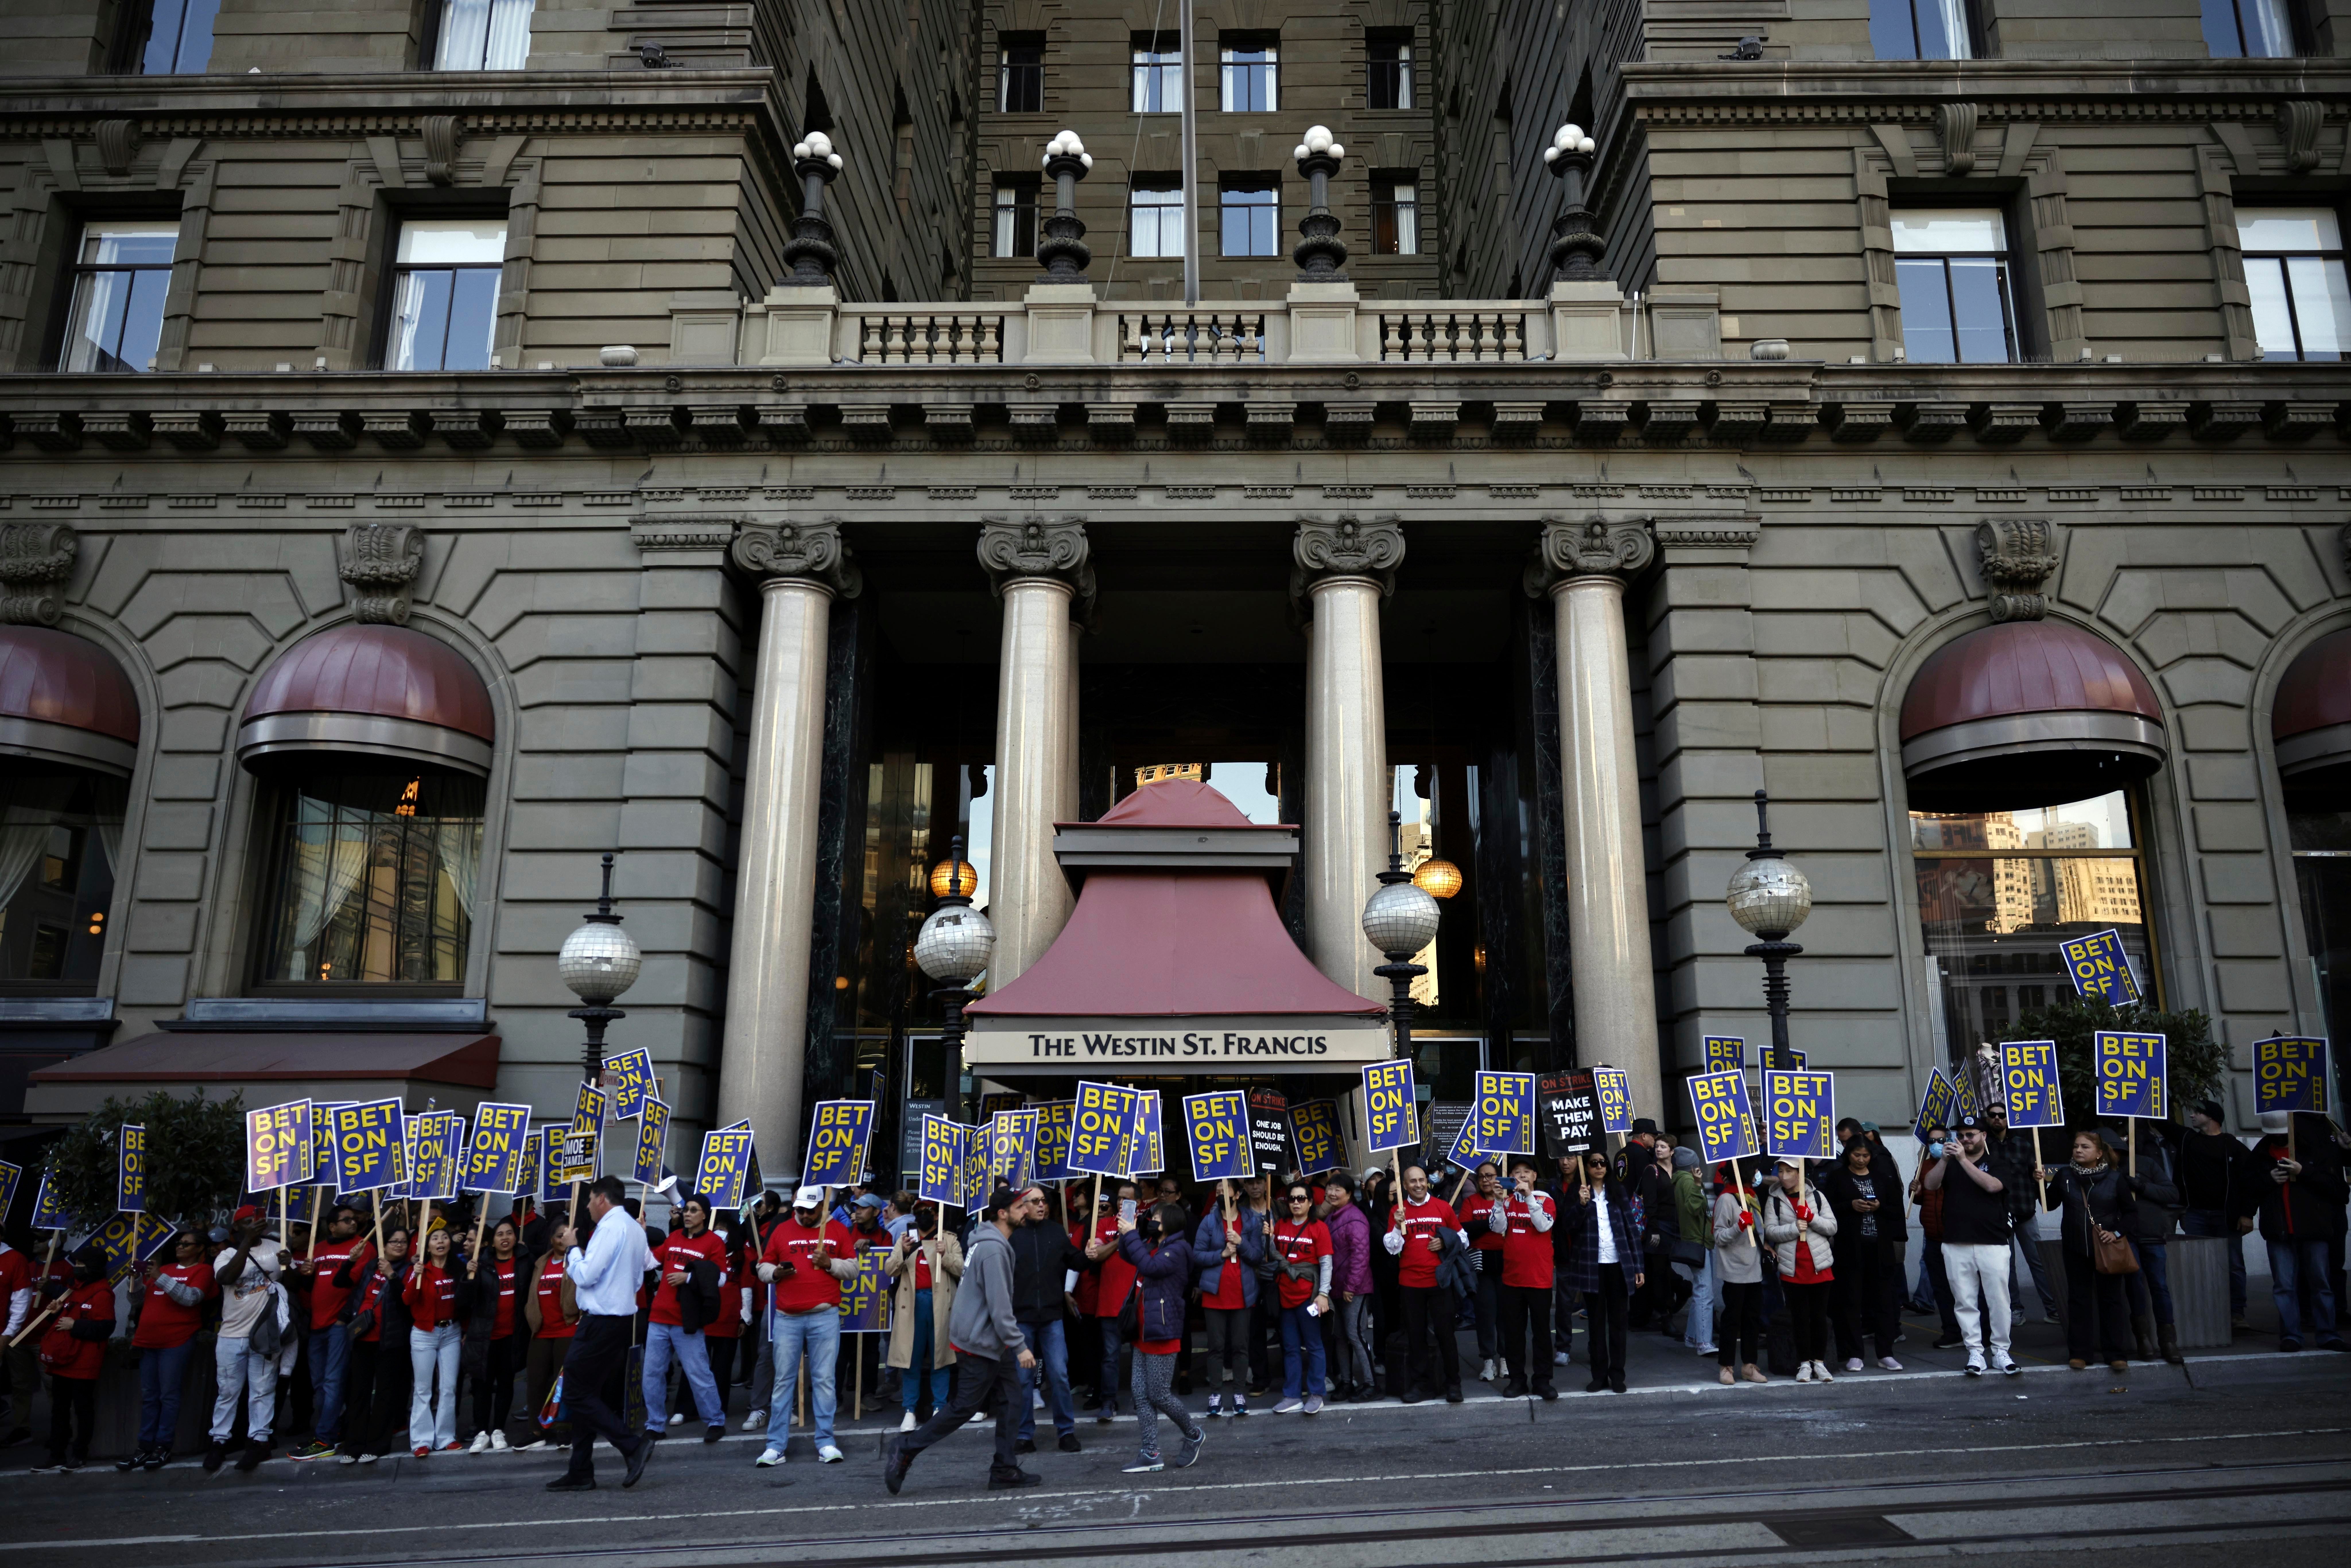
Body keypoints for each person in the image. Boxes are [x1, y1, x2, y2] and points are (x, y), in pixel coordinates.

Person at [883, 1188, 1038, 1493]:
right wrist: (1020, 1346)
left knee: (1011, 1398)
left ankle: (1004, 1468)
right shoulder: (993, 1250)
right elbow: (999, 1306)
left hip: (988, 1339)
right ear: (1003, 1213)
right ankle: (906, 1448)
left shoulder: (990, 1242)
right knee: (965, 1406)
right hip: (981, 1341)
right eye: (1021, 1206)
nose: (1027, 1210)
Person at [549, 1175, 656, 1492]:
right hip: (616, 1320)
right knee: (586, 1394)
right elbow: (647, 1268)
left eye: (588, 1200)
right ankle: (580, 1469)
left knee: (574, 1393)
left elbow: (586, 1276)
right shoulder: (634, 1228)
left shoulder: (610, 1227)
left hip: (602, 1321)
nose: (585, 1207)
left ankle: (633, 1446)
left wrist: (573, 1250)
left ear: (601, 1199)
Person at [752, 1184, 859, 1466]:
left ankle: (826, 1441)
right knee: (783, 1381)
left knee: (824, 1380)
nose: (804, 1215)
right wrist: (776, 1272)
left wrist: (830, 1264)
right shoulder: (782, 1230)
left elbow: (854, 1269)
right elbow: (762, 1267)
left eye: (810, 1212)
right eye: (800, 1210)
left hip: (824, 1315)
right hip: (787, 1317)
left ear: (820, 1208)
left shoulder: (836, 1230)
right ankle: (775, 1446)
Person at [2241, 1111, 2348, 1352]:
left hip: (2313, 1228)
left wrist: (2303, 1172)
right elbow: (2248, 1185)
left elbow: (2336, 1189)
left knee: (2321, 1283)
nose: (2278, 1139)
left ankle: (2328, 1334)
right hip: (2280, 1231)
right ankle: (2291, 1335)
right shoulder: (2262, 1153)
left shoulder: (2314, 1148)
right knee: (2284, 1286)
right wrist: (2269, 1179)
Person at [1115, 1199, 1206, 1472]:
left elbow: (1151, 1268)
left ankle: (1194, 1434)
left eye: (1156, 1217)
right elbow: (1128, 1255)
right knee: (1141, 1395)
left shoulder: (1178, 1250)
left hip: (1163, 1331)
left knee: (1159, 1394)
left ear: (1170, 1223)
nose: (1152, 1220)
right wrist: (1127, 1233)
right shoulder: (1155, 1245)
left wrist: (1132, 1234)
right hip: (1144, 1330)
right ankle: (1151, 1453)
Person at [1924, 1115, 2019, 1376]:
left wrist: (1964, 1161)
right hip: (1956, 1242)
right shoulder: (1950, 1162)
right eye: (1961, 1136)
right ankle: (1975, 1352)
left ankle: (2001, 1351)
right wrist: (1944, 1159)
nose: (1965, 1140)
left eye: (1971, 1135)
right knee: (1964, 1301)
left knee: (1999, 1301)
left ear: (1983, 1136)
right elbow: (1930, 1186)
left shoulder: (1997, 1162)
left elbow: (1993, 1187)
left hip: (1993, 1242)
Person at [2040, 1129, 2139, 1373]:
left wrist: (2116, 1233)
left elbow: (2132, 1213)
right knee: (2078, 1302)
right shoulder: (2064, 1175)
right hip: (2075, 1248)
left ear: (2099, 1153)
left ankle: (2116, 1354)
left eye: (2085, 1147)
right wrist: (2040, 1183)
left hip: (2106, 1249)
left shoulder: (2116, 1179)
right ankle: (2080, 1354)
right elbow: (2049, 1205)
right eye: (2076, 1146)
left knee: (2111, 1302)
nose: (2078, 1151)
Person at [120, 1227, 213, 1471]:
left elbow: (192, 1298)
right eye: (178, 1243)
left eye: (186, 1244)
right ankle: (144, 1447)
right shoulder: (166, 1271)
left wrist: (160, 1276)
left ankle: (163, 1446)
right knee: (149, 1397)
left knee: (168, 1396)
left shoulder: (203, 1271)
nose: (179, 1247)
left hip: (177, 1341)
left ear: (200, 1249)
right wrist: (136, 1280)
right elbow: (137, 1300)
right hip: (148, 1341)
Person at [643, 1193, 728, 1445]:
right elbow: (649, 1263)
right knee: (652, 1375)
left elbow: (721, 1279)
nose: (687, 1214)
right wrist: (640, 1236)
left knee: (698, 1374)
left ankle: (716, 1421)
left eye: (693, 1210)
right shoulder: (673, 1237)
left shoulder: (714, 1243)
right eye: (686, 1211)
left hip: (686, 1320)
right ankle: (655, 1425)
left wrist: (689, 1278)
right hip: (659, 1317)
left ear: (704, 1215)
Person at [205, 1204, 284, 1474]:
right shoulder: (226, 1254)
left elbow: (294, 1286)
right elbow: (226, 1278)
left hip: (264, 1334)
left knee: (262, 1390)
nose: (255, 1224)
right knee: (227, 1391)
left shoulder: (276, 1248)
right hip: (231, 1335)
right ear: (236, 1229)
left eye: (258, 1220)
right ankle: (219, 1442)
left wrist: (291, 1267)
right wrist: (247, 1243)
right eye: (248, 1222)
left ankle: (259, 1441)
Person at [1557, 1150, 1644, 1393]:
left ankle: (1618, 1375)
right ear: (1587, 1167)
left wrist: (1639, 1267)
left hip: (1618, 1265)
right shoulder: (1577, 1193)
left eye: (1602, 1163)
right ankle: (1599, 1375)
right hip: (1591, 1266)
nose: (1599, 1167)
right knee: (1596, 1325)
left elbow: (1631, 1231)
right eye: (1594, 1163)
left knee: (1618, 1324)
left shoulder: (1618, 1193)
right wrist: (1582, 1204)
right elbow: (1568, 1226)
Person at [1006, 1183, 1083, 1453]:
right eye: (1036, 1201)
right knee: (1024, 1379)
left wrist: (1089, 1256)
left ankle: (1066, 1432)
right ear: (1023, 1207)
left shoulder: (1056, 1231)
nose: (1043, 1205)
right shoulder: (1012, 1235)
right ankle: (1025, 1435)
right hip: (1022, 1318)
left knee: (1060, 1375)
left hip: (1052, 1316)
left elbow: (1074, 1260)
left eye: (1044, 1201)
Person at [1819, 1136, 1904, 1372]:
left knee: (1884, 1302)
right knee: (1851, 1302)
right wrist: (1850, 1206)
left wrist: (1879, 1207)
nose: (1861, 1159)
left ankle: (1886, 1352)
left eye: (1865, 1156)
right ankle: (1855, 1353)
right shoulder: (1838, 1177)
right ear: (1848, 1154)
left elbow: (1896, 1210)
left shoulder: (1881, 1177)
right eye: (1857, 1155)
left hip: (1880, 1249)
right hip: (1850, 1249)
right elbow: (1828, 1208)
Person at [27, 1244, 115, 1473]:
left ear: (92, 1267)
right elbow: (59, 1325)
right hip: (64, 1360)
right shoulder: (73, 1289)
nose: (76, 1268)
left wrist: (76, 1325)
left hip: (84, 1362)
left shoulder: (103, 1293)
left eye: (80, 1264)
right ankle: (57, 1455)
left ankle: (79, 1455)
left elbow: (106, 1328)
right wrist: (55, 1313)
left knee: (82, 1409)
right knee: (59, 1409)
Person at [1382, 1163, 1466, 1403]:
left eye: (1422, 1180)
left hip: (1439, 1283)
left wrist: (1445, 1241)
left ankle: (1454, 1384)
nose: (1418, 1185)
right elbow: (1391, 1248)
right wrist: (1399, 1226)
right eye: (1413, 1182)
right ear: (1405, 1186)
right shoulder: (1398, 1211)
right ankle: (1421, 1386)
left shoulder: (1442, 1207)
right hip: (1410, 1283)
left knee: (1446, 1334)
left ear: (1427, 1182)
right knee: (1416, 1337)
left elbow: (1463, 1239)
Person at [285, 1204, 363, 1460]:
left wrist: (344, 1319)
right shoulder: (317, 1250)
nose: (353, 1223)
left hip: (340, 1327)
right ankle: (334, 1430)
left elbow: (361, 1286)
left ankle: (325, 1439)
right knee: (319, 1385)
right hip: (317, 1326)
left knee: (331, 1383)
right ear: (332, 1227)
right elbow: (309, 1286)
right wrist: (303, 1274)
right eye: (347, 1220)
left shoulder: (363, 1245)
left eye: (354, 1220)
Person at [883, 1202, 961, 1435]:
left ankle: (939, 1407)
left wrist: (945, 1255)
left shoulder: (948, 1239)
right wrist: (904, 1252)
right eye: (920, 1213)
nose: (925, 1217)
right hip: (912, 1307)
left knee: (941, 1358)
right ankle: (910, 1410)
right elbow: (889, 1269)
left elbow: (961, 1268)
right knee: (911, 1360)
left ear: (937, 1216)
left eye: (929, 1213)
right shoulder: (907, 1239)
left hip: (940, 1306)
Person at [337, 1225, 412, 1463]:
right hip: (363, 1339)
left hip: (390, 1341)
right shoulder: (370, 1267)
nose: (399, 1245)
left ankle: (378, 1445)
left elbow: (406, 1303)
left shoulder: (410, 1269)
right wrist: (350, 1261)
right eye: (394, 1241)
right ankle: (354, 1445)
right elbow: (340, 1282)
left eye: (403, 1242)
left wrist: (392, 1275)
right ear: (385, 1245)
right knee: (358, 1393)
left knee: (384, 1394)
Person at [1761, 1156, 1838, 1383]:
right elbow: (1772, 1232)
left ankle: (1820, 1363)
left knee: (1819, 1318)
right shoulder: (1774, 1199)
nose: (1784, 1176)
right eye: (1781, 1171)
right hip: (1792, 1268)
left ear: (1799, 1172)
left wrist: (1812, 1218)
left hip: (1819, 1266)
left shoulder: (1817, 1196)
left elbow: (1833, 1227)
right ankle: (1804, 1363)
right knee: (1800, 1319)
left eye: (1789, 1171)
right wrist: (1795, 1228)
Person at [2179, 1101, 2255, 1329]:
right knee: (2195, 1264)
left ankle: (2236, 1313)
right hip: (2195, 1214)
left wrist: (2247, 1214)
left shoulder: (2232, 1145)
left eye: (2197, 1112)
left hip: (2226, 1216)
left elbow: (2250, 1181)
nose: (2191, 1115)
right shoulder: (2188, 1140)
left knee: (2232, 1263)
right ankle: (2200, 1311)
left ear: (2212, 1117)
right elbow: (2162, 1124)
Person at [1193, 1177, 1265, 1417]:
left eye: (1225, 1191)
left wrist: (1241, 1243)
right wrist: (1222, 1253)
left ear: (1236, 1195)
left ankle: (1238, 1393)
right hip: (1215, 1295)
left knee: (1241, 1347)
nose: (1220, 1195)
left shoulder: (1251, 1220)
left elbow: (1257, 1256)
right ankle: (1215, 1394)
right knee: (1215, 1347)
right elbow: (1198, 1256)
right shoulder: (1208, 1221)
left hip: (1243, 1294)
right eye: (1217, 1191)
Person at [1488, 1156, 1558, 1399]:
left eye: (1526, 1172)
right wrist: (1498, 1202)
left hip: (1539, 1279)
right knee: (1514, 1335)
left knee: (1541, 1334)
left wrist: (1529, 1197)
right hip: (1512, 1279)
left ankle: (1543, 1381)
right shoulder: (1506, 1202)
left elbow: (1542, 1226)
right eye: (1517, 1173)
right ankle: (1517, 1380)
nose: (1522, 1176)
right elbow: (1497, 1229)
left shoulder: (1545, 1199)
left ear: (1535, 1176)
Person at [2120, 1121, 2185, 1364]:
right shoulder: (2111, 1169)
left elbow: (2172, 1194)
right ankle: (2143, 1340)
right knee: (2135, 1286)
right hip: (2128, 1236)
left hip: (2151, 1235)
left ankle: (2168, 1341)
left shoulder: (2148, 1164)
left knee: (2159, 1287)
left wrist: (2142, 1186)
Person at [403, 1222, 469, 1456]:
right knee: (423, 1389)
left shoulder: (459, 1268)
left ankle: (446, 1437)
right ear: (427, 1247)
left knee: (449, 1388)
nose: (440, 1242)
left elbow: (467, 1300)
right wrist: (415, 1276)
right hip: (424, 1334)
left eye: (444, 1237)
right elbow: (407, 1300)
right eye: (435, 1239)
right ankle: (421, 1441)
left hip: (452, 1332)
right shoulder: (420, 1270)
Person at [1269, 1179, 1334, 1414]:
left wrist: (1323, 1294)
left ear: (1310, 1203)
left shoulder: (1319, 1228)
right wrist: (1267, 1237)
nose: (1296, 1203)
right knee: (1290, 1347)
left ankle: (1316, 1394)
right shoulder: (1280, 1224)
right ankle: (1292, 1396)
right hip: (1285, 1295)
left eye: (1301, 1199)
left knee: (1315, 1346)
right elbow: (1272, 1255)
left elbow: (1327, 1264)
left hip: (1309, 1297)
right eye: (1292, 1199)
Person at [1081, 1179, 1142, 1419]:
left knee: (1141, 1355)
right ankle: (1109, 1401)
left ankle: (1142, 1399)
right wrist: (1121, 1239)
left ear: (1137, 1203)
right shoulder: (1104, 1223)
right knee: (1110, 1356)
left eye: (1126, 1199)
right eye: (1118, 1198)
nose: (1120, 1203)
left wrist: (1126, 1237)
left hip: (1137, 1301)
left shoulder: (1146, 1224)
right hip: (1109, 1302)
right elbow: (1097, 1255)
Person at [1907, 1123, 1966, 1351]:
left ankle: (1976, 1331)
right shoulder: (1924, 1165)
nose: (1936, 1145)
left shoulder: (1962, 1164)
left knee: (1963, 1289)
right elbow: (1921, 1200)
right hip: (1933, 1236)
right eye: (1931, 1141)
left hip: (1956, 1237)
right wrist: (1917, 1191)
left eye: (1941, 1140)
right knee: (1941, 1289)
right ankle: (1952, 1331)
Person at [519, 1220, 576, 1452]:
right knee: (536, 1381)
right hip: (541, 1331)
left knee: (561, 1383)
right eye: (559, 1236)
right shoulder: (541, 1263)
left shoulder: (576, 1261)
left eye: (567, 1235)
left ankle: (563, 1429)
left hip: (567, 1329)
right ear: (551, 1240)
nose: (563, 1239)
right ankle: (537, 1430)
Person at [1711, 1162, 1768, 1385]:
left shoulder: (1751, 1197)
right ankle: (1726, 1366)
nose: (1757, 1174)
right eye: (1754, 1171)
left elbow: (1760, 1230)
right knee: (1732, 1320)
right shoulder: (1727, 1199)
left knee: (1752, 1320)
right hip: (1735, 1270)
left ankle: (1749, 1365)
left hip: (1754, 1268)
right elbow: (1719, 1237)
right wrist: (1739, 1227)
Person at [1320, 1171, 1375, 1402]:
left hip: (1355, 1289)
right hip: (1336, 1288)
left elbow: (1360, 1257)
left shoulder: (1355, 1218)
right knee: (1341, 1337)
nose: (1332, 1193)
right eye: (1329, 1189)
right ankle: (1346, 1381)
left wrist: (1351, 1286)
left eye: (1337, 1190)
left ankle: (1371, 1384)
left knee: (1356, 1335)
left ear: (1350, 1194)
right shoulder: (1331, 1217)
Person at [1456, 1161, 1506, 1381]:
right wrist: (1493, 1222)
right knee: (1486, 1314)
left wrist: (1485, 1223)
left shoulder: (1508, 1200)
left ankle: (1505, 1359)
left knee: (1506, 1315)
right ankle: (1488, 1361)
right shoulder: (1471, 1202)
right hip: (1481, 1263)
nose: (1487, 1181)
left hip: (1507, 1261)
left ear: (1499, 1178)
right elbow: (1465, 1230)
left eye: (1491, 1176)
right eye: (1482, 1177)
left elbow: (1510, 1227)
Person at [1670, 1146, 1717, 1357]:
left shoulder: (1679, 1179)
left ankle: (1692, 1336)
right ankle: (1704, 1342)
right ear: (1693, 1166)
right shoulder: (1689, 1181)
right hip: (1699, 1239)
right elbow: (1694, 1208)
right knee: (1704, 1292)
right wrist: (1699, 1185)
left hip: (1693, 1238)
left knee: (1700, 1290)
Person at [0, 1229, 40, 1449]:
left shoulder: (14, 1259)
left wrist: (7, 1335)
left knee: (27, 1385)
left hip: (8, 1334)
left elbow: (21, 1302)